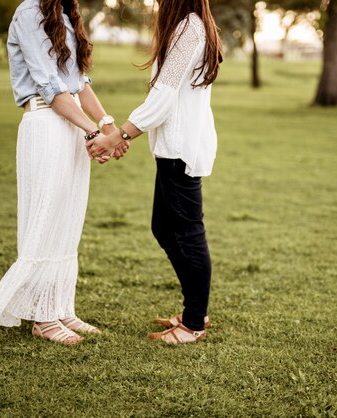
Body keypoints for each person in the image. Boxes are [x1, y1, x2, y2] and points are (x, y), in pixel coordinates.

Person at [0, 0, 129, 345]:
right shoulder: (30, 13)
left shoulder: (67, 16)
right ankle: (42, 320)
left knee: (67, 219)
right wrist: (93, 133)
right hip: (45, 122)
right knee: (44, 217)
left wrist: (108, 127)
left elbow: (78, 82)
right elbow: (50, 87)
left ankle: (60, 307)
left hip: (72, 125)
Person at [87, 0, 223, 344]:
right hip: (172, 148)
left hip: (180, 149)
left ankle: (193, 323)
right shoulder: (189, 28)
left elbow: (162, 98)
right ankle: (195, 310)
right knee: (163, 227)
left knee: (188, 232)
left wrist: (119, 134)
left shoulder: (188, 29)